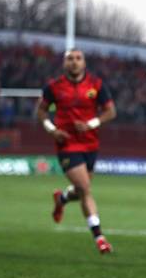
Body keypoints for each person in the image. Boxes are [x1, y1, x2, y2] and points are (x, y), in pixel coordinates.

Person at [36, 49, 116, 254]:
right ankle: (100, 238)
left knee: (81, 189)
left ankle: (61, 199)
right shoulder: (53, 87)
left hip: (90, 144)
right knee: (85, 188)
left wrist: (91, 124)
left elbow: (110, 112)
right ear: (64, 63)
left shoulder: (96, 85)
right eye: (70, 59)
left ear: (84, 62)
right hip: (67, 144)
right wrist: (53, 130)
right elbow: (41, 111)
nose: (74, 62)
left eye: (78, 58)